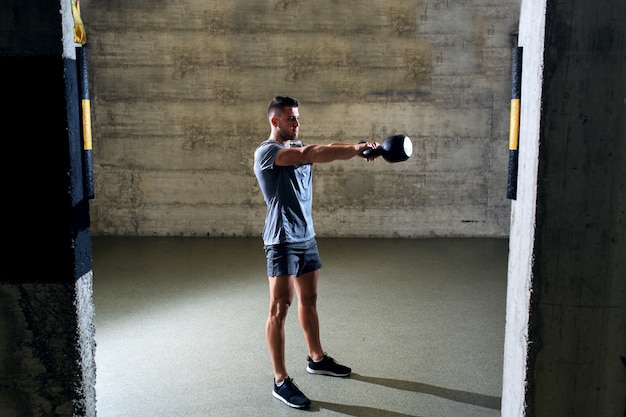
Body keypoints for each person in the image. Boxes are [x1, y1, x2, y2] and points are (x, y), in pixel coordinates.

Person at [253, 96, 380, 409]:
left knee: (309, 301)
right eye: (290, 119)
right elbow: (313, 153)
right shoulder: (269, 153)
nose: (296, 123)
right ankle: (280, 380)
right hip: (281, 241)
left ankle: (316, 358)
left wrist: (360, 145)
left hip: (306, 237)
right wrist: (352, 151)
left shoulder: (297, 147)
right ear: (274, 122)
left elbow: (323, 145)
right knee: (279, 308)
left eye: (297, 117)